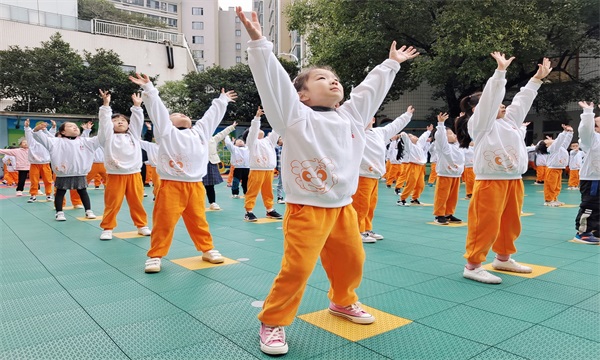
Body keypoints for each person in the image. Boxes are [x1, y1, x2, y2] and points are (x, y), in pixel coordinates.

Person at [237, 6, 419, 355]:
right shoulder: (293, 116)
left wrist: (390, 64)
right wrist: (260, 44)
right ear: (302, 95)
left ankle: (341, 301)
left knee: (352, 261)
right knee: (298, 268)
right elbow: (273, 83)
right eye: (321, 78)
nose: (332, 80)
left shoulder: (350, 117)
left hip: (343, 208)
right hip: (306, 209)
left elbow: (368, 92)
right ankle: (273, 320)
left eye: (334, 78)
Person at [456, 52, 552, 284]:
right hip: (490, 181)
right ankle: (473, 265)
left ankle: (503, 258)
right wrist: (500, 73)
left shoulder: (509, 122)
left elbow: (521, 101)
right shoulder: (479, 125)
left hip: (513, 180)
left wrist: (536, 80)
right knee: (485, 223)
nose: (504, 106)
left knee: (510, 222)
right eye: (499, 103)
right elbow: (488, 102)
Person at [129, 73, 237, 273]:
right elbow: (158, 111)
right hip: (171, 185)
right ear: (168, 122)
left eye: (185, 114)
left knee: (199, 220)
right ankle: (155, 255)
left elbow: (210, 117)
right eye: (177, 114)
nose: (183, 114)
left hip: (196, 185)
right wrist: (149, 89)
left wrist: (222, 101)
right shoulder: (166, 133)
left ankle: (207, 249)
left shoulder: (200, 132)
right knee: (164, 222)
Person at [97, 90, 151, 240]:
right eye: (116, 120)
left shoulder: (133, 136)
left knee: (137, 202)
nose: (120, 121)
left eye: (123, 120)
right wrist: (106, 105)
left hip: (134, 174)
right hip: (115, 175)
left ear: (128, 125)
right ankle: (107, 228)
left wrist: (137, 107)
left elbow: (138, 122)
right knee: (112, 203)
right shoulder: (107, 137)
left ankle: (142, 225)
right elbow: (104, 122)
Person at [354, 108, 413, 243]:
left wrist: (407, 115)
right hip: (361, 175)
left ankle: (367, 228)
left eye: (369, 117)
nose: (365, 119)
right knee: (360, 205)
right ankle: (357, 231)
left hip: (374, 176)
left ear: (373, 120)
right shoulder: (355, 133)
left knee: (370, 205)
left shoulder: (379, 132)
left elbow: (394, 126)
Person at [32, 121, 99, 221]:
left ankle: (88, 211)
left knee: (83, 192)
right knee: (60, 192)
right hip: (63, 173)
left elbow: (101, 138)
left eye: (76, 126)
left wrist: (90, 129)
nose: (75, 127)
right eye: (70, 126)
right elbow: (40, 138)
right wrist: (37, 130)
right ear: (63, 132)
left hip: (80, 173)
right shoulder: (55, 142)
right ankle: (59, 212)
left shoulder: (85, 141)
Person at [243, 106, 282, 222]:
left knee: (268, 191)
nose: (259, 130)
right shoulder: (252, 142)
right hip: (257, 169)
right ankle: (248, 211)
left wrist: (277, 117)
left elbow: (276, 130)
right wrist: (257, 118)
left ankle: (270, 210)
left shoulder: (268, 141)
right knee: (252, 191)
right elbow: (253, 131)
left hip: (269, 170)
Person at [573, 102, 600, 244]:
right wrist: (589, 113)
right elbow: (585, 129)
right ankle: (582, 232)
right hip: (592, 179)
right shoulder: (590, 139)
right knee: (591, 205)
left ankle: (597, 230)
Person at [432, 113, 465, 225]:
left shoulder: (458, 145)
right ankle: (439, 215)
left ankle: (448, 213)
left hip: (456, 175)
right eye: (450, 133)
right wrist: (441, 124)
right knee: (442, 196)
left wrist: (461, 120)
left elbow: (462, 132)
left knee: (453, 197)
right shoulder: (443, 146)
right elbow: (440, 137)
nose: (453, 135)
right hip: (445, 174)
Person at [537, 125, 573, 207]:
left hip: (559, 169)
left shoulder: (560, 147)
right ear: (546, 146)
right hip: (552, 169)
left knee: (557, 186)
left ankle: (554, 198)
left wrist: (570, 132)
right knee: (550, 185)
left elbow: (566, 141)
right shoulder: (552, 148)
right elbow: (558, 141)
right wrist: (564, 132)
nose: (549, 139)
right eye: (546, 140)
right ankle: (548, 200)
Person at [204, 121, 238, 210]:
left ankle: (212, 202)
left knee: (210, 185)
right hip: (199, 164)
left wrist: (232, 126)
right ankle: (195, 203)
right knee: (196, 185)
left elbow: (222, 134)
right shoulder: (194, 138)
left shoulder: (213, 139)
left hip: (211, 162)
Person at [397, 124, 433, 206]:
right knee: (411, 184)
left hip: (420, 167)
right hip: (413, 166)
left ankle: (414, 198)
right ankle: (401, 199)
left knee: (421, 185)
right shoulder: (410, 146)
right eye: (412, 136)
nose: (415, 136)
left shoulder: (419, 144)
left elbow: (423, 138)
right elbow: (404, 136)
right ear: (409, 140)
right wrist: (402, 134)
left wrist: (428, 131)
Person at [23, 119, 54, 202]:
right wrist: (26, 127)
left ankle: (48, 195)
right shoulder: (31, 139)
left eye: (42, 126)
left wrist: (53, 127)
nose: (41, 127)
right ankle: (33, 195)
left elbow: (53, 136)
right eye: (39, 126)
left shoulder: (47, 139)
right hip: (34, 163)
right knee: (34, 181)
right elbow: (28, 133)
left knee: (48, 180)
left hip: (45, 163)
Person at [275, 136, 285, 203]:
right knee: (280, 183)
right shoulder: (276, 148)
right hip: (281, 167)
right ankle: (280, 197)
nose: (282, 139)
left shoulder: (288, 147)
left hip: (288, 167)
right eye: (281, 138)